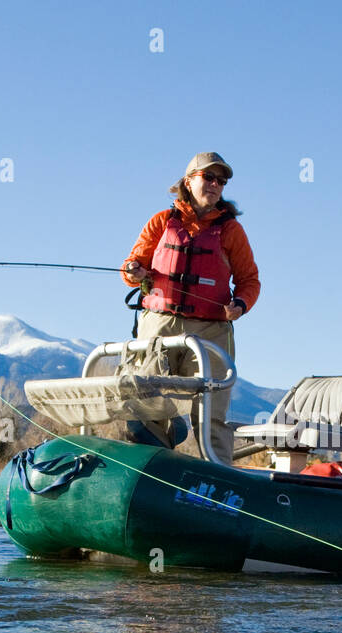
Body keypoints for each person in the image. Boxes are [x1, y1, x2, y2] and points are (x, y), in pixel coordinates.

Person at [122, 151, 260, 464]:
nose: (215, 184)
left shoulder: (231, 231)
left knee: (212, 414)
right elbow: (131, 267)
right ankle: (150, 469)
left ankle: (222, 480)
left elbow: (250, 281)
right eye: (208, 177)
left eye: (221, 180)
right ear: (189, 180)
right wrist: (133, 271)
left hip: (211, 330)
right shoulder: (161, 221)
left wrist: (240, 304)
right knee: (145, 402)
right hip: (160, 326)